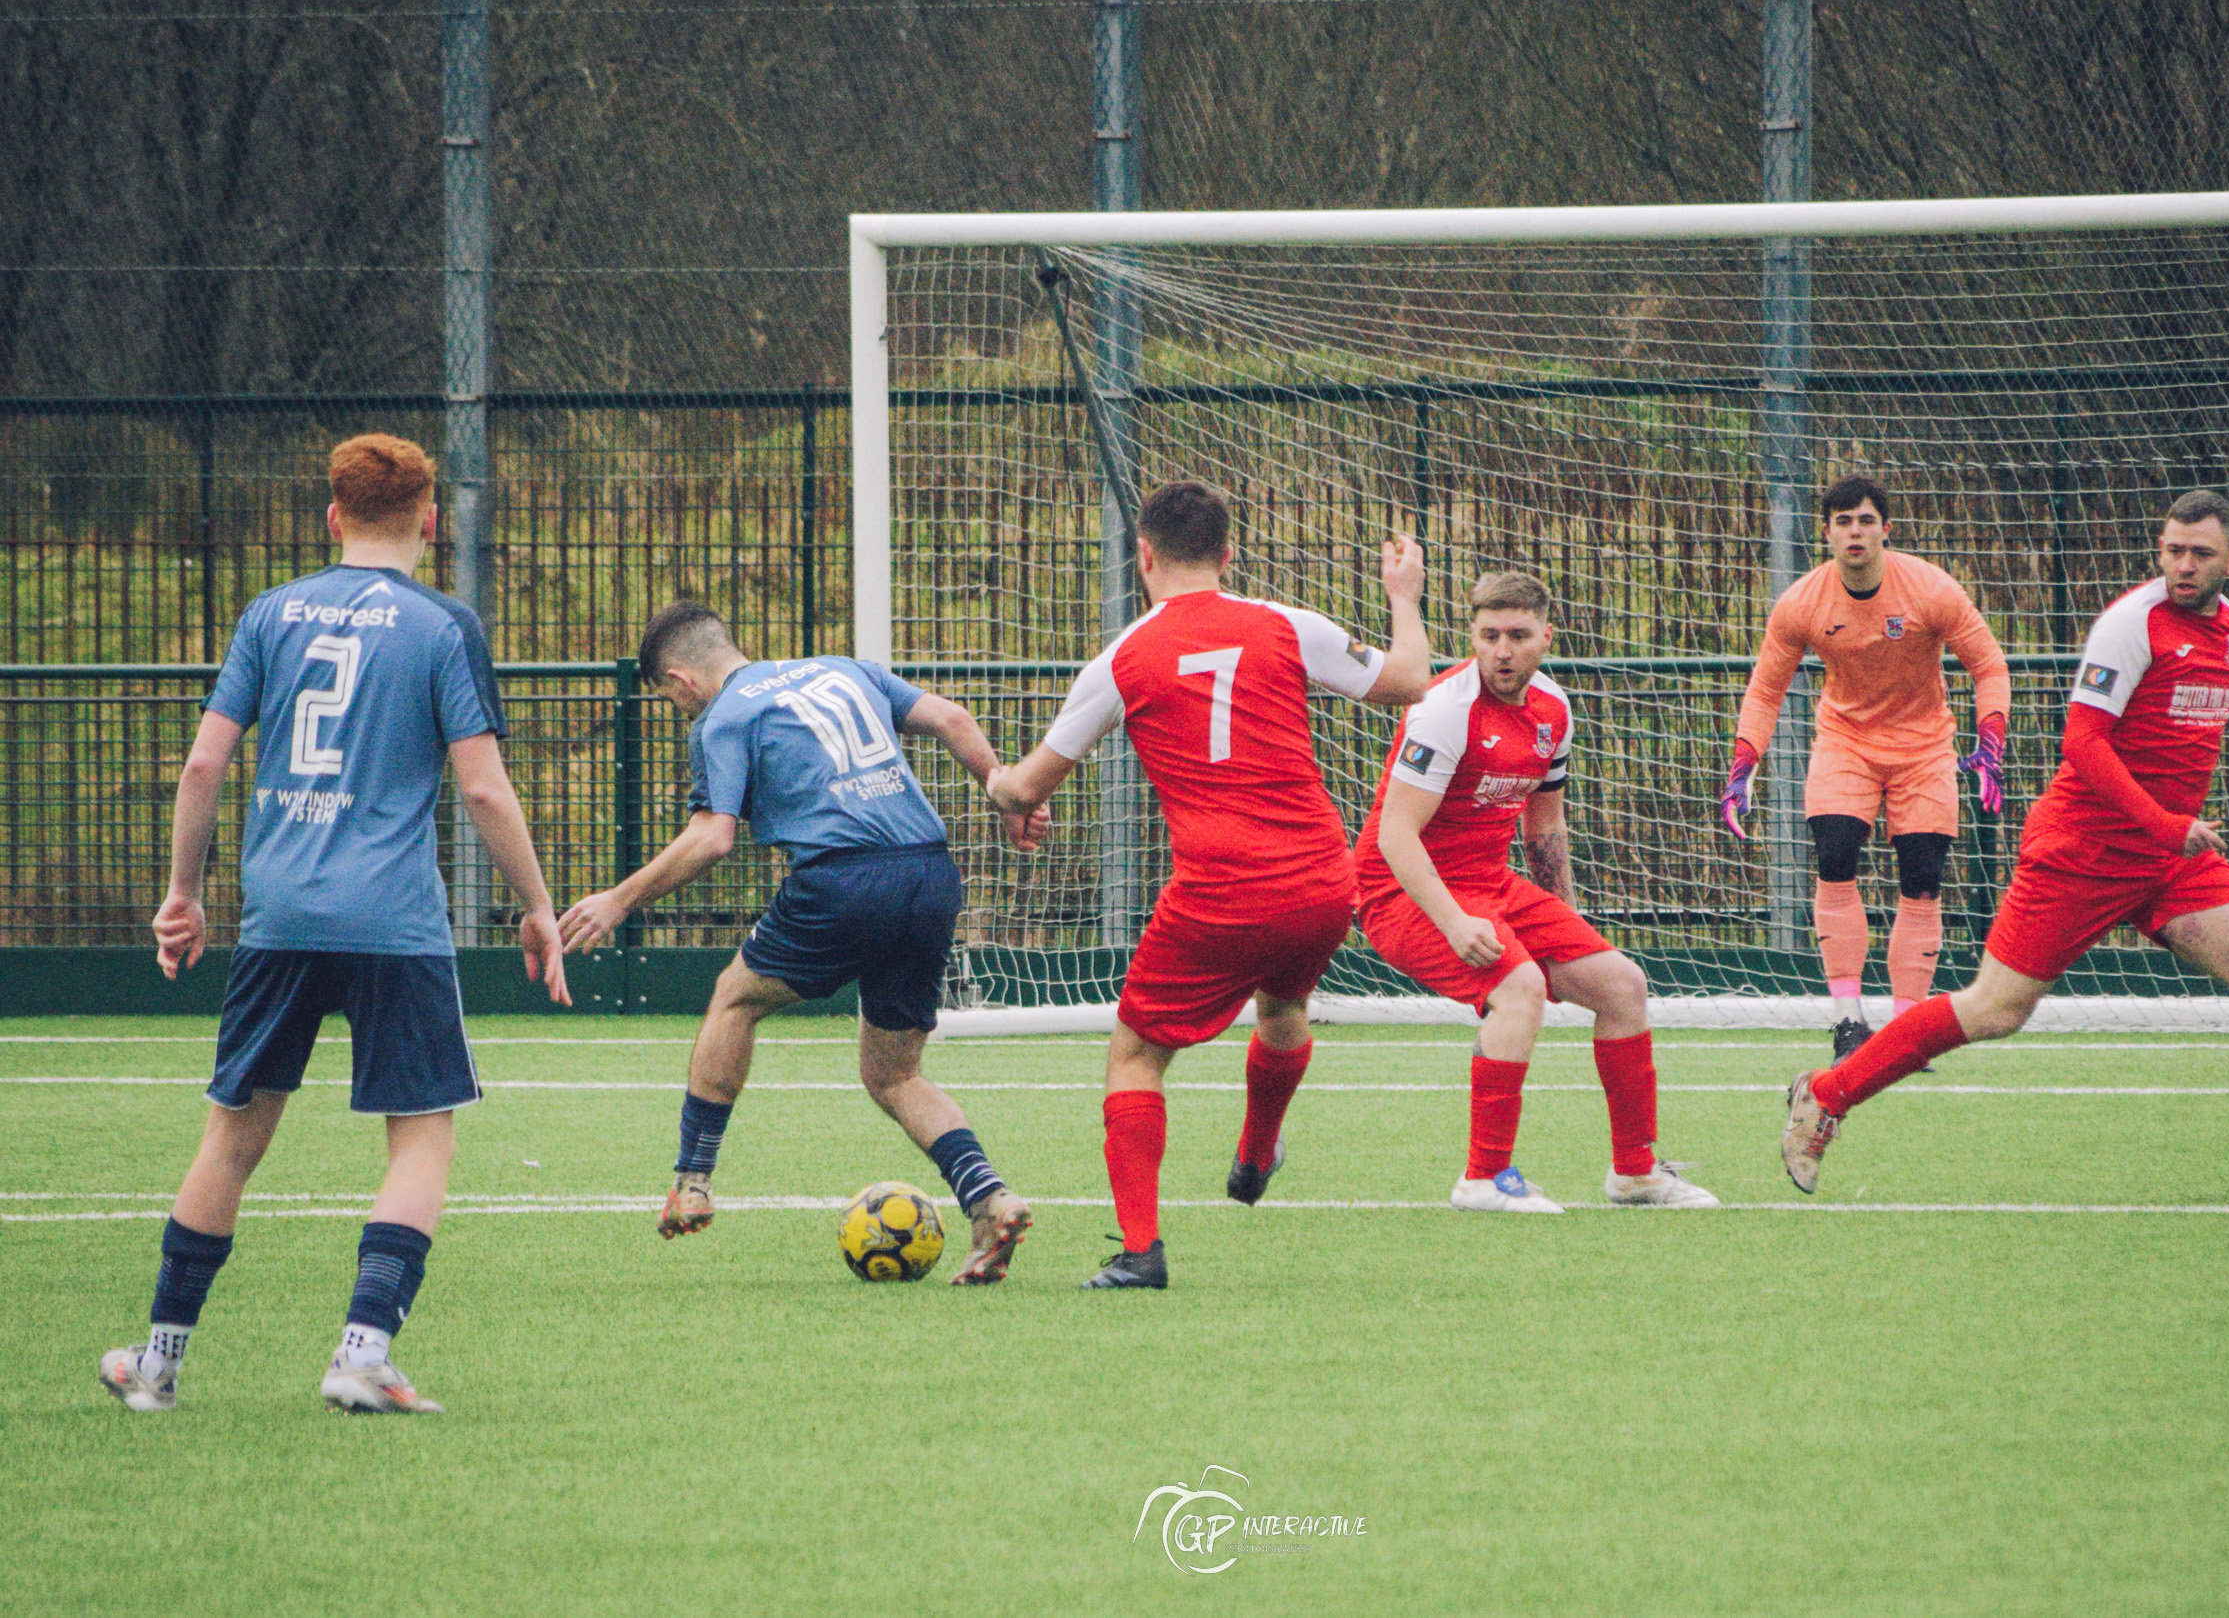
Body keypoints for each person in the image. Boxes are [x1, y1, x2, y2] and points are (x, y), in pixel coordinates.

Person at [103, 434, 571, 1416]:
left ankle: (158, 1361)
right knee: (421, 1137)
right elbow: (482, 787)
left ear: (332, 516)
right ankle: (361, 1353)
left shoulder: (270, 612)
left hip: (278, 914)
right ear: (431, 522)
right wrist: (536, 905)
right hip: (393, 922)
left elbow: (201, 767)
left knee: (233, 1135)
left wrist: (183, 891)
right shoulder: (443, 625)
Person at [1780, 491, 2229, 1203]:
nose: (2183, 565)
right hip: (2082, 851)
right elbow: (2081, 744)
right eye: (2172, 550)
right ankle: (1826, 1093)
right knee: (1995, 1008)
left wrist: (2167, 832)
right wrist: (2164, 821)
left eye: (2200, 554)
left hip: (2166, 857)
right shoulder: (2129, 624)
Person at [986, 479, 1429, 1288]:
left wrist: (997, 788)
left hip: (1220, 891)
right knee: (1285, 1007)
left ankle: (1140, 1251)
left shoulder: (1123, 657)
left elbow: (1028, 788)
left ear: (1143, 555)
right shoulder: (1286, 625)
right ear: (1229, 555)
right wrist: (1404, 595)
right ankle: (1256, 1153)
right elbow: (1407, 678)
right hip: (1322, 884)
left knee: (1135, 1056)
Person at [559, 603, 1048, 1284]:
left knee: (733, 998)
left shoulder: (723, 717)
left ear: (680, 678)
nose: (680, 710)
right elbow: (953, 719)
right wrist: (1001, 786)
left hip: (843, 879)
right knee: (894, 1073)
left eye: (672, 699)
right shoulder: (845, 669)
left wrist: (618, 899)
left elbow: (713, 836)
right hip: (931, 872)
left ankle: (692, 1180)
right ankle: (990, 1197)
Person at [1354, 570, 1717, 1214]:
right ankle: (1483, 1179)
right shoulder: (1443, 708)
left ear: (1546, 636)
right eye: (1489, 634)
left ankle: (1635, 1173)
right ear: (1472, 634)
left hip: (1492, 882)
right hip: (1402, 890)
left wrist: (1562, 923)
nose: (1502, 650)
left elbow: (1544, 825)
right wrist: (1455, 925)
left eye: (1518, 635)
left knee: (1622, 985)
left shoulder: (1554, 709)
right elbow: (1395, 837)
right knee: (1518, 990)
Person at [1723, 476, 2012, 1059]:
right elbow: (1765, 691)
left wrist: (1991, 741)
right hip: (1844, 741)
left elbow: (1989, 663)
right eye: (1842, 522)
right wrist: (1742, 764)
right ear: (1825, 532)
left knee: (1922, 876)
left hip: (1925, 746)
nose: (1855, 531)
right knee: (1833, 856)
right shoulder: (1801, 603)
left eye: (1865, 520)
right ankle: (1848, 1021)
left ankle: (1907, 1034)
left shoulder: (1931, 589)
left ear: (1886, 528)